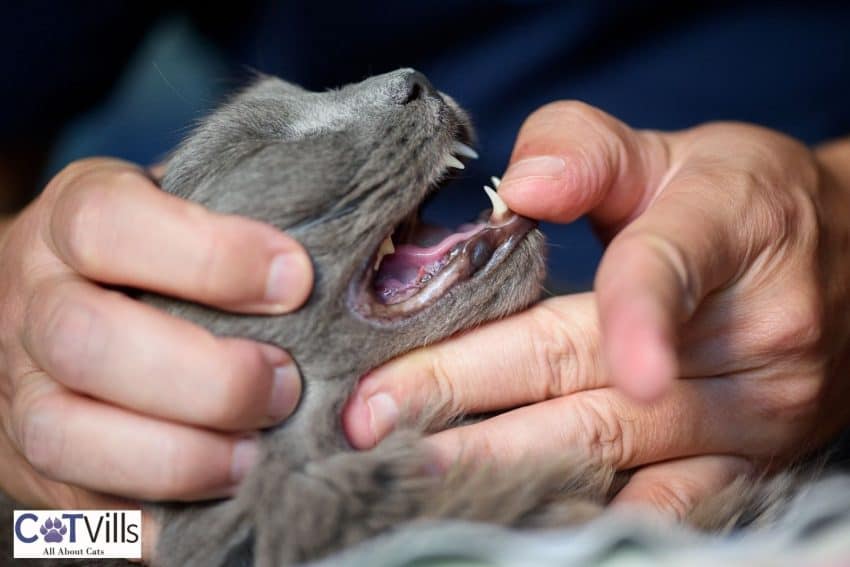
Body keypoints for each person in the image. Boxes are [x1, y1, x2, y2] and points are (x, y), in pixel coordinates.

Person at [2, 0, 849, 558]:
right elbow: (56, 536)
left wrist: (840, 210)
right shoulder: (126, 521)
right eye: (267, 143)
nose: (399, 85)